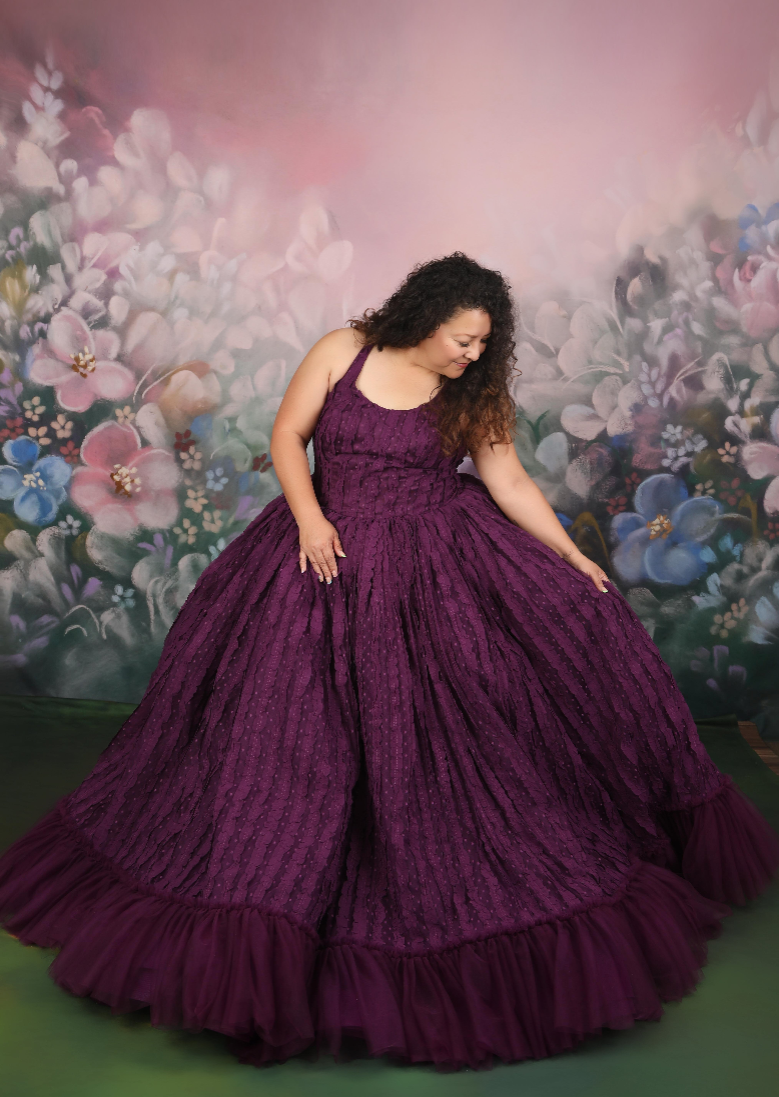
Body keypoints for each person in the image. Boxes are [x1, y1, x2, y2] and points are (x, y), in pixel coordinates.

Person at [0, 253, 777, 1071]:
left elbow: (506, 478)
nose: (472, 355)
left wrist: (572, 557)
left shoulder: (472, 392)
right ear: (425, 314)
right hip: (320, 553)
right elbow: (288, 437)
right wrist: (308, 520)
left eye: (484, 343)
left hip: (435, 565)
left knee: (452, 733)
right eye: (462, 338)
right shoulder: (345, 349)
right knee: (287, 739)